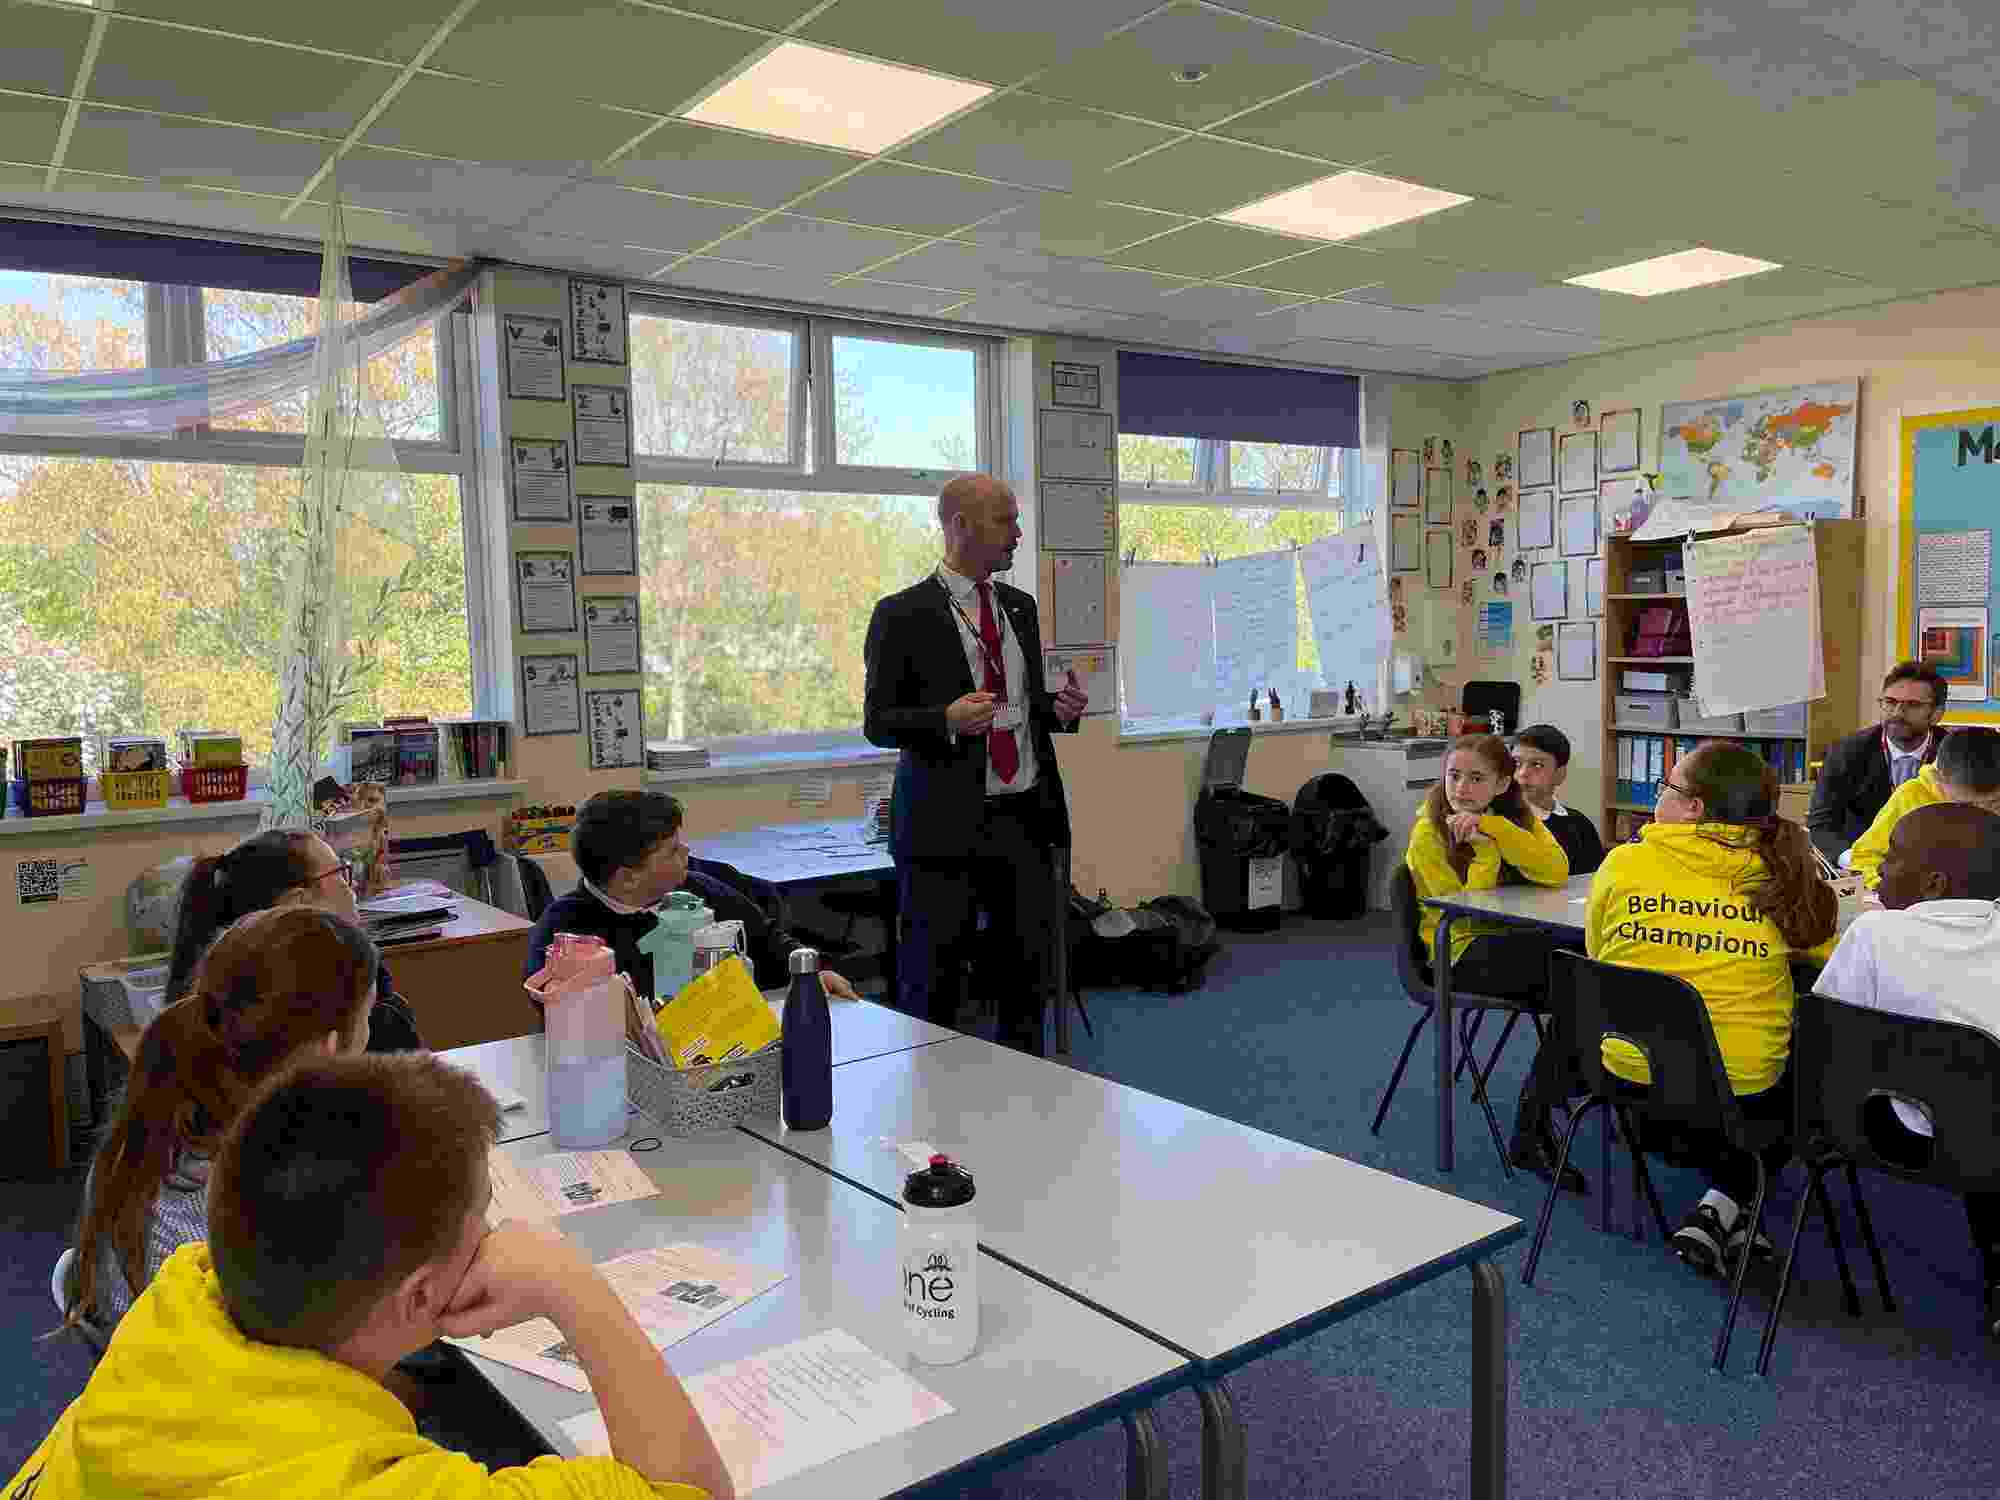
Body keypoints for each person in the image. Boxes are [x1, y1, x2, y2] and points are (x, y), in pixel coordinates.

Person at [11, 1052, 735, 1500]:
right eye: (482, 1216)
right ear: (422, 1294)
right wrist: (573, 1285)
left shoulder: (179, 1295)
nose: (493, 1233)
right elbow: (691, 1492)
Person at [1585, 742, 1839, 1276]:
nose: (1660, 794)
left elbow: (1596, 955)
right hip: (1741, 1102)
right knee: (1811, 1069)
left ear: (1695, 807)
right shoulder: (1782, 876)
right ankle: (1731, 1204)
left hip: (1628, 1082)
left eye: (1668, 786)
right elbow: (1829, 956)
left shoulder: (1625, 862)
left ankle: (1724, 1210)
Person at [64, 906, 378, 1332]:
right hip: (218, 1387)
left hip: (149, 1372)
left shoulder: (154, 1128)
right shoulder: (265, 1201)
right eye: (367, 1018)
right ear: (329, 1046)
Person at [862, 474, 1089, 1055]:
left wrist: (1056, 710)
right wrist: (944, 719)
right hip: (945, 824)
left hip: (1025, 816)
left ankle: (1028, 1087)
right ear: (960, 525)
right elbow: (879, 721)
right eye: (1005, 521)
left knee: (1025, 972)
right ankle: (933, 1099)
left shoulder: (1019, 606)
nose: (1018, 534)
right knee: (933, 980)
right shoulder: (901, 614)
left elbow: (1021, 704)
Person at [1813, 802, 2000, 1336]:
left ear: (1935, 882)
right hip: (1989, 1146)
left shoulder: (1873, 933)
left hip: (1882, 1133)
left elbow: (1825, 1029)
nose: (1878, 871)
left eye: (1893, 858)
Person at [1404, 735, 1575, 1187]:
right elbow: (1461, 913)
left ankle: (1539, 1116)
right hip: (1456, 951)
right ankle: (1538, 1120)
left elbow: (1555, 870)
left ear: (1502, 784)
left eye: (1477, 778)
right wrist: (1483, 852)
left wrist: (1495, 830)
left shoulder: (1510, 815)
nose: (1461, 787)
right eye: (1453, 775)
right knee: (1583, 985)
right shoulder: (1428, 831)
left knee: (1587, 983)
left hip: (1509, 942)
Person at [527, 790, 856, 1003]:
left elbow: (768, 939)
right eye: (672, 851)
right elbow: (551, 1010)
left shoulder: (700, 890)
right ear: (628, 877)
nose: (686, 852)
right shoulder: (565, 932)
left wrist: (812, 972)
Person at [166, 828, 422, 1051]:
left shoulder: (230, 987)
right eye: (340, 872)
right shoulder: (325, 1005)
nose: (351, 884)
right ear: (298, 903)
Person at [1807, 661, 1946, 863]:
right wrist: (1853, 860)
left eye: (1913, 705)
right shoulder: (1846, 752)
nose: (1897, 713)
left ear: (1936, 714)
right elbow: (1821, 822)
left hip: (1931, 864)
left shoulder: (1951, 755)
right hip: (1860, 862)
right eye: (1890, 702)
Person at [1846, 726, 2000, 889]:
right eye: (1967, 805)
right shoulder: (1911, 796)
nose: (1982, 812)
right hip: (1921, 905)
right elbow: (1865, 858)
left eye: (1995, 802)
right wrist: (1885, 889)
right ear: (1937, 778)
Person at [1510, 724, 1605, 877]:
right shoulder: (1497, 821)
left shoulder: (1579, 825)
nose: (1522, 773)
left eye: (1536, 765)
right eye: (1516, 763)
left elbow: (1593, 882)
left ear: (1560, 774)